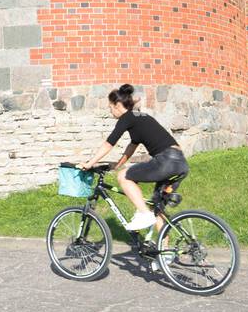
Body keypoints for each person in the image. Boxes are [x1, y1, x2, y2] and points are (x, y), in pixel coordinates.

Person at [80, 84, 189, 231]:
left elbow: (109, 143)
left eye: (110, 107)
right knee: (156, 207)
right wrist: (117, 164)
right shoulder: (140, 117)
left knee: (124, 177)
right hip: (180, 162)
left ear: (118, 105)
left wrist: (89, 163)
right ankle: (165, 251)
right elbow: (132, 146)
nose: (110, 110)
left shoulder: (126, 118)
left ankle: (143, 214)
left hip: (166, 160)